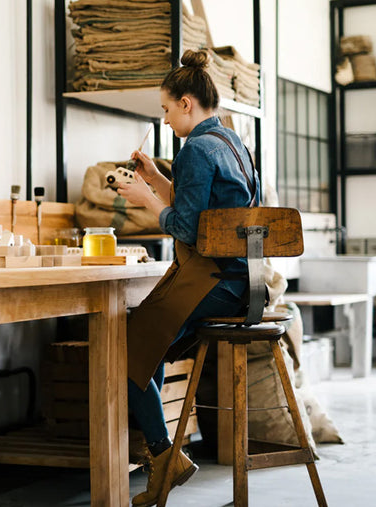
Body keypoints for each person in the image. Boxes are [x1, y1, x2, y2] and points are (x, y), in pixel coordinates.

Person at [116, 49, 260, 506]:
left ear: (185, 103)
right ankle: (165, 458)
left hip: (213, 277)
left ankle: (164, 456)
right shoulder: (232, 142)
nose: (163, 120)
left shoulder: (197, 147)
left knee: (123, 348)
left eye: (164, 108)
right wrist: (157, 179)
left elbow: (189, 229)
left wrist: (146, 201)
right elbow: (203, 211)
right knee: (146, 345)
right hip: (242, 280)